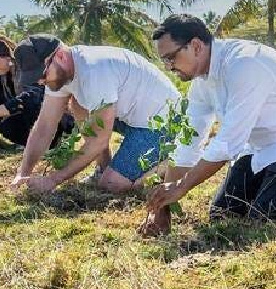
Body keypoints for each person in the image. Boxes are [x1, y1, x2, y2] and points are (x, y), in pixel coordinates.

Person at [141, 14, 276, 236]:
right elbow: (188, 144)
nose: (168, 67)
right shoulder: (201, 82)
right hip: (260, 146)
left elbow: (227, 143)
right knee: (224, 213)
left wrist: (181, 187)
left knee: (272, 215)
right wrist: (162, 209)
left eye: (171, 58)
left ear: (196, 46)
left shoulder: (245, 64)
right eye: (164, 61)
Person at [9, 36, 180, 194]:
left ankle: (171, 160)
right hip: (133, 119)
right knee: (77, 103)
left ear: (60, 56)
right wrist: (23, 173)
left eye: (42, 74)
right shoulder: (60, 74)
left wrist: (53, 179)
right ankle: (104, 168)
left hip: (165, 124)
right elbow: (45, 124)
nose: (41, 81)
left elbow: (99, 141)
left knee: (112, 185)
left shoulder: (94, 71)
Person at [1, 35, 75, 148]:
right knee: (11, 125)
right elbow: (27, 96)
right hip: (41, 116)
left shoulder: (71, 69)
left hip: (71, 120)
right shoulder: (20, 63)